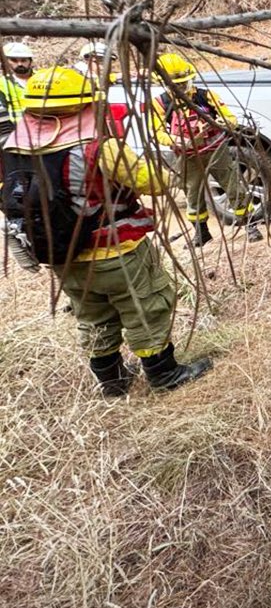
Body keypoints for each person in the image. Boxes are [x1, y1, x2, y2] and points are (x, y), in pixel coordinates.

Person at [1, 67, 211, 394]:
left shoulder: (14, 147)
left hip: (62, 255)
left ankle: (112, 382)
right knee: (147, 306)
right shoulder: (97, 147)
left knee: (93, 315)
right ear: (84, 104)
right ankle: (164, 373)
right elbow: (152, 182)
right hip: (117, 251)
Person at [149, 53, 262, 246]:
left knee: (234, 186)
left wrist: (219, 123)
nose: (181, 88)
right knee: (193, 193)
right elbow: (156, 131)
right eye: (176, 85)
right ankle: (201, 233)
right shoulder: (160, 103)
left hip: (216, 151)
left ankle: (250, 226)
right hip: (187, 156)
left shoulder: (205, 96)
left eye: (184, 83)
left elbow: (230, 118)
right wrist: (177, 140)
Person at [1, 42, 32, 144]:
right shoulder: (2, 84)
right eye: (14, 60)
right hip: (15, 134)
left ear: (30, 61)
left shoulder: (42, 79)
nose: (20, 64)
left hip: (46, 130)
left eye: (23, 60)